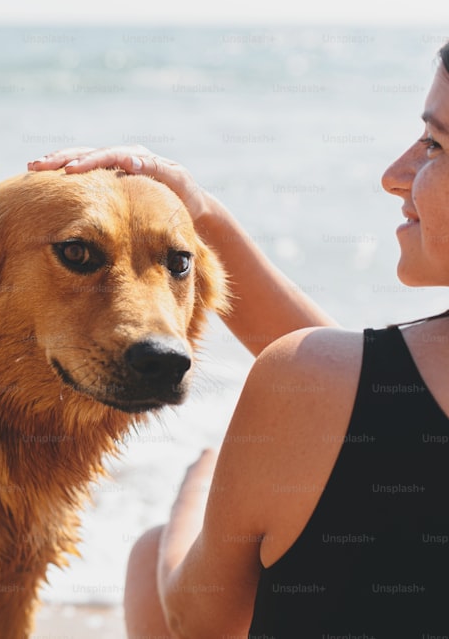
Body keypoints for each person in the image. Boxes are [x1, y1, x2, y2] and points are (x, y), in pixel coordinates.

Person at [28, 41, 449, 638]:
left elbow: (195, 619)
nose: (393, 174)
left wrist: (197, 488)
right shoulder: (335, 382)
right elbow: (372, 395)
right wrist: (198, 212)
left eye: (435, 144)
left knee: (153, 552)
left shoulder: (302, 384)